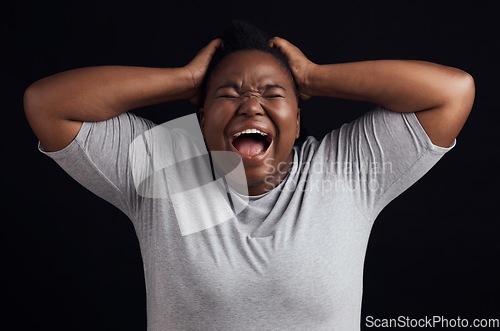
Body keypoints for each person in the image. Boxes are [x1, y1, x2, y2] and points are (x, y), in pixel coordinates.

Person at [24, 21, 474, 330]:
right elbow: (48, 105)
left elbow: (452, 93)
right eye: (229, 93)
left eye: (272, 94)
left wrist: (313, 77)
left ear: (297, 121)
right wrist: (185, 80)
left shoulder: (343, 170)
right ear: (200, 120)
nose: (250, 104)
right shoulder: (167, 169)